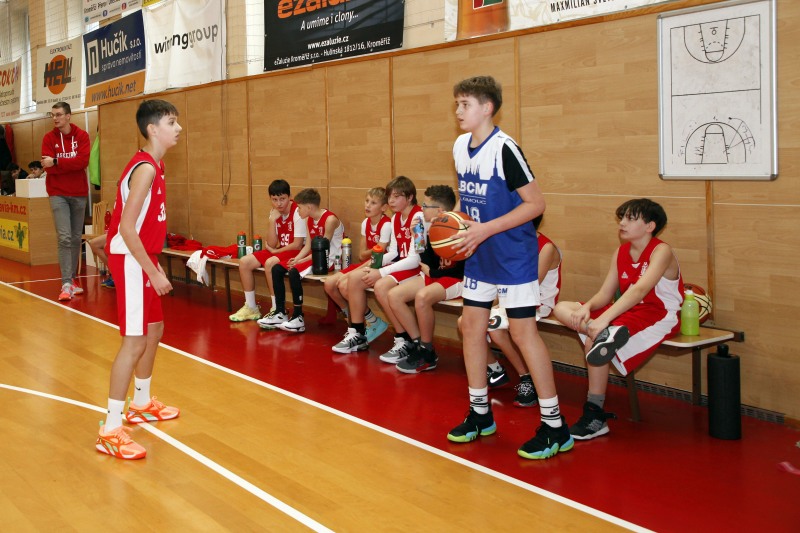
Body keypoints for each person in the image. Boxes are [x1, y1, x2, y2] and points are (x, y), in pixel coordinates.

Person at [446, 75, 572, 460]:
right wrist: (455, 236)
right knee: (471, 327)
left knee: (522, 333)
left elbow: (536, 204)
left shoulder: (505, 149)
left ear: (487, 108)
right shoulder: (459, 146)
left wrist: (485, 229)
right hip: (479, 254)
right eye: (457, 104)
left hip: (514, 255)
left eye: (465, 104)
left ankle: (555, 426)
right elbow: (468, 202)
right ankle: (480, 413)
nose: (458, 111)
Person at [552, 198, 683, 441]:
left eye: (630, 219)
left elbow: (640, 291)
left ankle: (595, 414)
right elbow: (605, 294)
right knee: (562, 308)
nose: (622, 223)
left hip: (658, 313)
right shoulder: (621, 252)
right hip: (625, 310)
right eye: (621, 218)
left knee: (594, 342)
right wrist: (588, 308)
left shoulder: (661, 251)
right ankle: (603, 334)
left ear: (650, 226)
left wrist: (605, 319)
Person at [95, 99, 182, 460]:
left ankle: (141, 403)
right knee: (133, 342)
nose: (178, 128)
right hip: (132, 260)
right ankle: (110, 429)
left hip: (141, 257)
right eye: (171, 122)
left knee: (155, 329)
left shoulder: (156, 165)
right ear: (152, 129)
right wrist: (152, 270)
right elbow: (127, 229)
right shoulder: (145, 169)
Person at [470, 218, 561, 408]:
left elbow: (531, 283)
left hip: (537, 301)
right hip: (511, 299)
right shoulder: (512, 244)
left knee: (494, 328)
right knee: (467, 323)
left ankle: (526, 378)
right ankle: (495, 370)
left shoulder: (546, 247)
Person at [330, 176, 424, 357]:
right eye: (390, 197)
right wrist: (373, 266)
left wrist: (380, 272)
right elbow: (394, 252)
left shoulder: (418, 217)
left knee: (381, 286)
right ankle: (357, 332)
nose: (391, 201)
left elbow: (415, 259)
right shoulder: (396, 218)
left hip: (417, 267)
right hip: (401, 264)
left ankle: (403, 339)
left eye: (396, 196)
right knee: (355, 278)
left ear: (410, 197)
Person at [388, 185, 465, 373]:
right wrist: (418, 237)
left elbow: (460, 270)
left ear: (439, 210)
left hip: (457, 279)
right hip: (438, 275)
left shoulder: (459, 227)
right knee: (394, 295)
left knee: (422, 298)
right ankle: (418, 344)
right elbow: (428, 262)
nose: (421, 209)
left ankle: (427, 352)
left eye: (425, 206)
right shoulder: (431, 227)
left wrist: (433, 274)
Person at [258, 188, 344, 333]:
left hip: (328, 260)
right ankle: (280, 312)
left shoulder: (330, 220)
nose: (297, 211)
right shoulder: (309, 219)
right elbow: (308, 246)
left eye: (299, 207)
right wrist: (297, 259)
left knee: (294, 272)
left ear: (309, 207)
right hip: (314, 256)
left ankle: (298, 317)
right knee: (277, 269)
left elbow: (322, 249)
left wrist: (300, 262)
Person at [229, 179, 306, 322]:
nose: (279, 203)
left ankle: (277, 308)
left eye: (282, 199)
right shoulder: (275, 213)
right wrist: (272, 220)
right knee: (244, 262)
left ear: (289, 197)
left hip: (297, 251)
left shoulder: (297, 211)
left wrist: (276, 252)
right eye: (274, 200)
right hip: (281, 250)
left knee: (270, 263)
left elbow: (297, 244)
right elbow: (271, 243)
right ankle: (251, 307)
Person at [324, 187, 391, 344]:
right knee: (329, 284)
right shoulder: (366, 223)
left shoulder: (386, 225)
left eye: (373, 203)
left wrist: (373, 252)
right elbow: (362, 254)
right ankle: (356, 319)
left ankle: (363, 324)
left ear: (384, 208)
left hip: (381, 265)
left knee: (344, 285)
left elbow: (378, 256)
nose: (367, 205)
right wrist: (374, 250)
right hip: (367, 263)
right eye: (367, 201)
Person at [41, 102, 91, 301]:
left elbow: (83, 162)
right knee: (64, 237)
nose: (55, 118)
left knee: (75, 237)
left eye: (59, 114)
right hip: (58, 193)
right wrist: (62, 165)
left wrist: (57, 161)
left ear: (68, 116)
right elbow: (47, 167)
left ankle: (72, 280)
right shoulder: (48, 138)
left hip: (78, 193)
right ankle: (66, 283)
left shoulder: (82, 136)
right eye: (53, 115)